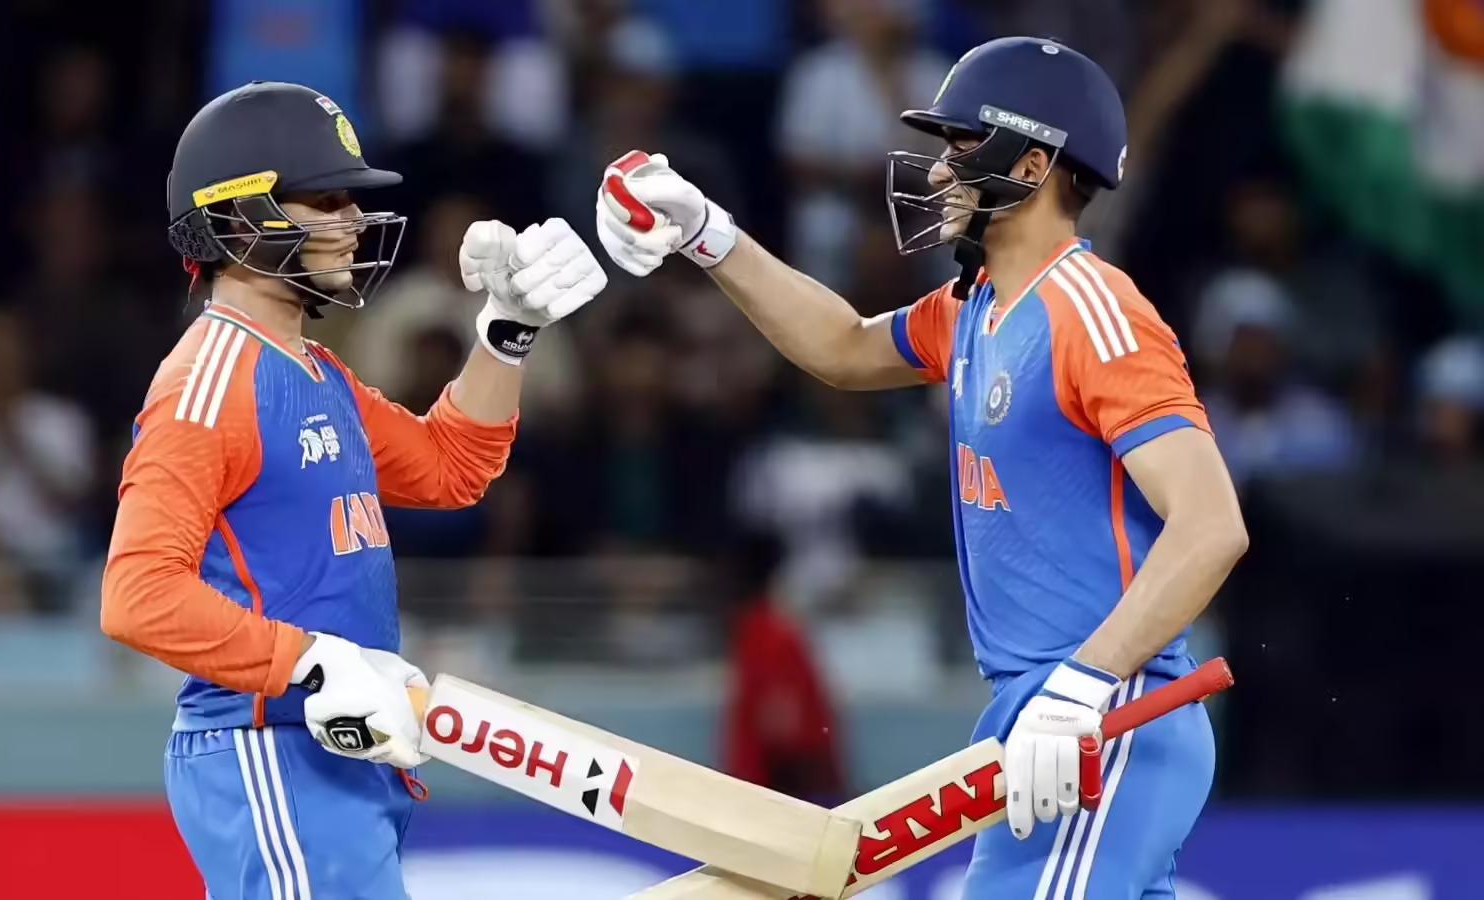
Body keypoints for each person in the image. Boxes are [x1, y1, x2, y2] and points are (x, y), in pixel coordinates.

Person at [595, 37, 1249, 898]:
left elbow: (1211, 527)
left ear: (1034, 162)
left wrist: (1083, 685)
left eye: (962, 145)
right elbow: (841, 347)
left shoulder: (1095, 313)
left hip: (1108, 712)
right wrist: (708, 234)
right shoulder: (975, 307)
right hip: (1058, 712)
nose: (939, 171)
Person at [100, 81, 605, 899]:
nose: (355, 221)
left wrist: (507, 332)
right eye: (326, 201)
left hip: (334, 749)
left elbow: (449, 468)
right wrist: (308, 662)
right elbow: (137, 594)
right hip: (270, 749)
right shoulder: (209, 383)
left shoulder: (315, 371)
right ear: (240, 221)